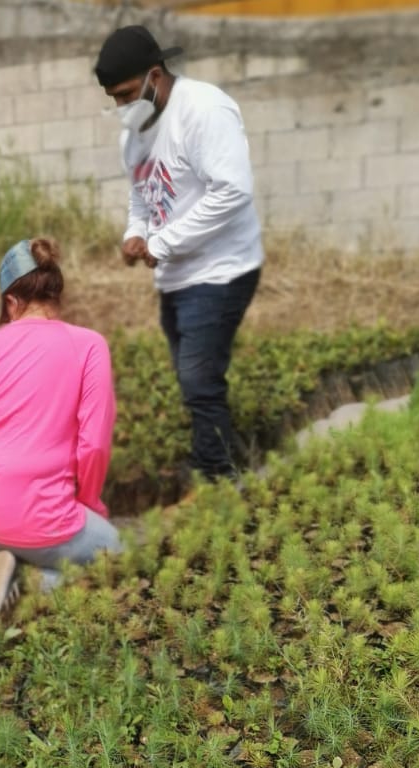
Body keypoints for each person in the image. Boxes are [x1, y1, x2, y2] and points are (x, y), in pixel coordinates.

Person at [94, 25, 264, 481]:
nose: (121, 107)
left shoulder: (203, 109)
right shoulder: (133, 137)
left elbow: (232, 191)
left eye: (127, 93)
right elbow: (141, 197)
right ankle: (226, 453)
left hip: (222, 267)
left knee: (197, 377)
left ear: (155, 74)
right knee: (195, 378)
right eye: (113, 98)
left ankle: (217, 476)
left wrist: (162, 242)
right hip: (175, 274)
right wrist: (136, 232)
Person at [0, 237, 120, 613]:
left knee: (25, 534)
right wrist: (87, 504)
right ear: (58, 296)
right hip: (38, 522)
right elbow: (93, 444)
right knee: (116, 550)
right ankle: (28, 586)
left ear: (11, 301)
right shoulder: (89, 345)